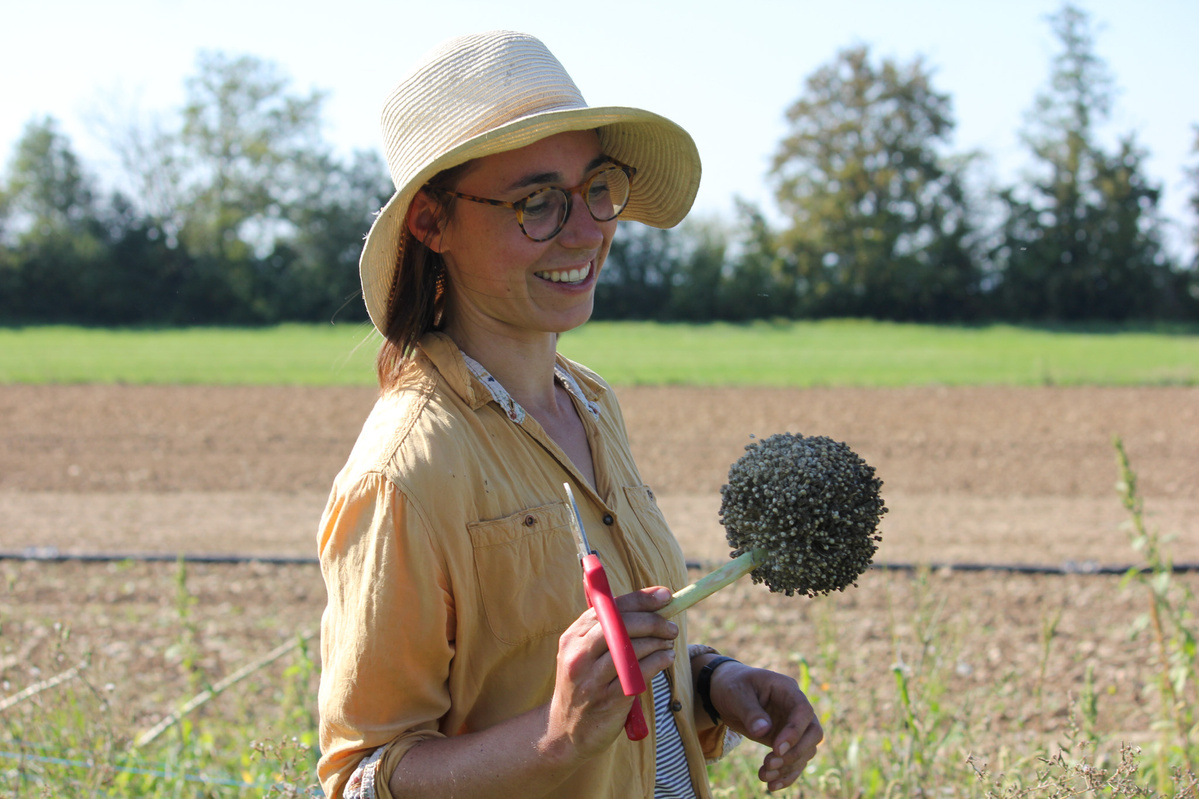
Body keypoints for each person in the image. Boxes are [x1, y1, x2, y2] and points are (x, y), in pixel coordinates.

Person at [316, 30, 822, 799]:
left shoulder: (588, 402)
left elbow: (586, 661)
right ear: (431, 223)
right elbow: (360, 778)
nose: (587, 230)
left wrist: (712, 677)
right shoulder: (406, 471)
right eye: (536, 202)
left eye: (595, 188)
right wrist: (552, 737)